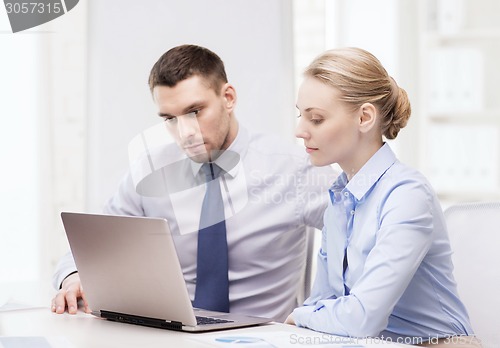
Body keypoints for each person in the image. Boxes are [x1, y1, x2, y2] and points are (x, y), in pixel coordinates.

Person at [51, 44, 336, 321]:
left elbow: (365, 240)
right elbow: (92, 245)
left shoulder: (296, 169)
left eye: (195, 112)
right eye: (170, 119)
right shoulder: (151, 172)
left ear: (228, 98)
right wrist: (74, 277)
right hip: (169, 336)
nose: (185, 132)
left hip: (262, 339)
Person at [286, 47, 480, 347]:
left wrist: (301, 316)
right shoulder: (339, 200)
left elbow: (362, 318)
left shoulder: (407, 195)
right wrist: (307, 315)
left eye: (316, 119)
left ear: (364, 117)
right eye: (301, 115)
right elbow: (322, 303)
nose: (300, 130)